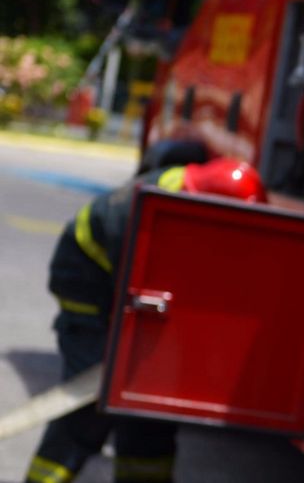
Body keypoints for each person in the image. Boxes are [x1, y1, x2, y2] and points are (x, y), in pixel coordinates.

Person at [25, 158, 266, 483]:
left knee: (148, 400)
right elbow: (145, 278)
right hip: (84, 277)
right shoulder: (152, 214)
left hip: (118, 283)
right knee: (90, 397)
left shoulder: (182, 192)